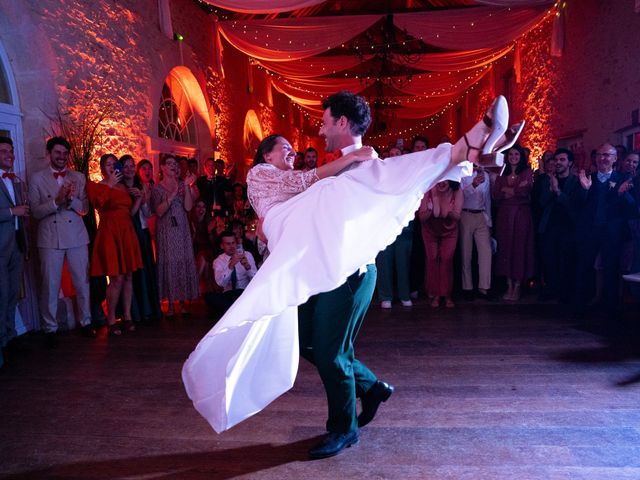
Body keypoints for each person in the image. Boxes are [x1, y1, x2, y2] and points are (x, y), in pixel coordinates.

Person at [182, 93, 521, 456]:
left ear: (342, 123)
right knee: (306, 340)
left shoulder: (363, 166)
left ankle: (344, 428)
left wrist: (453, 157)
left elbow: (400, 173)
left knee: (331, 352)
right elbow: (289, 207)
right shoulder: (295, 175)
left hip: (349, 274)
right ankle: (371, 386)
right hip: (317, 273)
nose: (320, 128)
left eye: (325, 120)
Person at [29, 136, 96, 347]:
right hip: (50, 238)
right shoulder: (37, 179)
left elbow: (84, 209)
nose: (62, 157)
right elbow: (36, 212)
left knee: (82, 282)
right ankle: (50, 328)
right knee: (50, 285)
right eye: (58, 153)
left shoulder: (78, 177)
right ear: (49, 154)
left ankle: (86, 322)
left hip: (76, 236)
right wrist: (56, 201)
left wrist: (71, 200)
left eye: (65, 154)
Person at [86, 154, 143, 335]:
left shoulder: (124, 187)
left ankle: (127, 316)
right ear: (102, 168)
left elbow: (131, 212)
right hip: (110, 232)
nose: (112, 167)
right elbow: (98, 204)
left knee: (128, 276)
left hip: (127, 232)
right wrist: (109, 184)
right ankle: (111, 318)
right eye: (108, 164)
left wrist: (139, 198)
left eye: (114, 164)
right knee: (116, 277)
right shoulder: (96, 185)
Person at [151, 154, 199, 317]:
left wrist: (186, 186)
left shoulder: (181, 184)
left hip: (182, 227)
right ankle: (170, 303)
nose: (173, 166)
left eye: (174, 164)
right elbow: (159, 211)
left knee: (182, 261)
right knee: (170, 262)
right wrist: (172, 195)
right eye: (169, 163)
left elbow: (188, 207)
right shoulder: (157, 188)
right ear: (163, 167)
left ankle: (183, 301)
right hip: (166, 229)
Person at [492, 144, 535, 301]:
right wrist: (514, 189)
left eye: (517, 154)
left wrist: (509, 190)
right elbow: (496, 193)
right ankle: (508, 285)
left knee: (519, 248)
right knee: (506, 248)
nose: (514, 157)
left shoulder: (527, 172)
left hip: (521, 216)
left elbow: (525, 192)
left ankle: (517, 286)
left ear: (521, 156)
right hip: (505, 216)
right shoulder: (502, 173)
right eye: (511, 155)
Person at [123, 156, 162, 323]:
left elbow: (147, 214)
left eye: (132, 165)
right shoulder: (121, 188)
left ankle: (151, 309)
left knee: (147, 270)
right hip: (129, 233)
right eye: (127, 166)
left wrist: (144, 200)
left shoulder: (141, 187)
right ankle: (135, 312)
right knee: (134, 273)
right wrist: (138, 199)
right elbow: (128, 214)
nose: (130, 169)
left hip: (143, 231)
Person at [0, 137, 28, 367]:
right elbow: (11, 211)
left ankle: (9, 339)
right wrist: (12, 210)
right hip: (0, 248)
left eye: (11, 150)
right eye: (4, 151)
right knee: (1, 296)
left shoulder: (16, 180)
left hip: (17, 245)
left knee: (11, 296)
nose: (9, 154)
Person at [376, 146, 413, 309]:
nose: (395, 156)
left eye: (397, 153)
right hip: (385, 224)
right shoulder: (380, 176)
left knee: (403, 262)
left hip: (404, 225)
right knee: (384, 262)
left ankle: (405, 294)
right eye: (391, 154)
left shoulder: (410, 175)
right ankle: (386, 296)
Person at [419, 180, 463, 308]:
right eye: (440, 179)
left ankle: (447, 294)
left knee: (446, 260)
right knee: (432, 259)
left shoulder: (457, 191)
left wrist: (444, 212)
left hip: (450, 230)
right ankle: (435, 294)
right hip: (430, 230)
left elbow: (457, 216)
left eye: (446, 179)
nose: (442, 182)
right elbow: (422, 217)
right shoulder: (428, 190)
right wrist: (436, 202)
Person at [205, 231, 257, 316]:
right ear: (222, 246)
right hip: (228, 295)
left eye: (233, 243)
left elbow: (256, 279)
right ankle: (238, 312)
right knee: (210, 297)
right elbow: (221, 283)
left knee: (240, 294)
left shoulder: (247, 255)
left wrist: (248, 267)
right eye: (228, 244)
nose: (232, 246)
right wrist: (231, 265)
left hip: (244, 292)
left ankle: (231, 313)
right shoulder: (218, 261)